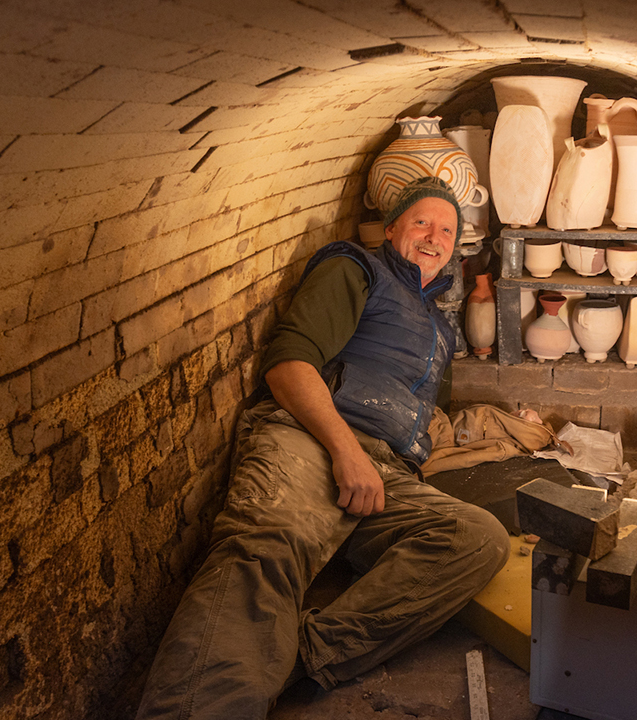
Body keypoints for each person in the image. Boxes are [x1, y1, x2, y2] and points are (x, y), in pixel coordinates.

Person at [133, 177, 509, 719]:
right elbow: (289, 366)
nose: (434, 237)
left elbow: (425, 411)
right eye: (422, 222)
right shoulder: (357, 269)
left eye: (447, 230)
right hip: (313, 436)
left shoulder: (438, 327)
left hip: (387, 468)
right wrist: (346, 452)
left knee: (477, 538)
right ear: (394, 227)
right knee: (268, 545)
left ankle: (297, 655)